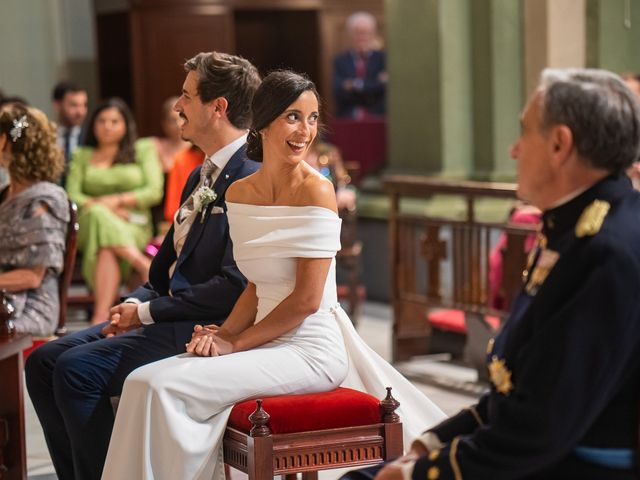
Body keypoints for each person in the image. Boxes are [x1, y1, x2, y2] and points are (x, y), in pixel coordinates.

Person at [101, 70, 445, 480]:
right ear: (263, 121)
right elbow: (253, 285)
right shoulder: (240, 193)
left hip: (310, 350)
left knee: (164, 388)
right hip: (265, 341)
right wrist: (222, 335)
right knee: (141, 382)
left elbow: (305, 300)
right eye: (293, 117)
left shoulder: (317, 191)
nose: (306, 131)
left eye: (313, 118)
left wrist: (236, 344)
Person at [342, 68, 640, 480]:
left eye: (524, 132)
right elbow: (520, 387)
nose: (514, 150)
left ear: (559, 144)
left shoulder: (606, 250)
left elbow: (539, 430)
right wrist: (433, 442)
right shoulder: (574, 227)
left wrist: (423, 473)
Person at [25, 51, 261, 480]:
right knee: (42, 363)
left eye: (187, 97)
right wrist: (132, 303)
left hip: (208, 325)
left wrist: (146, 313)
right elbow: (167, 266)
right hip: (167, 309)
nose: (176, 107)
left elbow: (234, 284)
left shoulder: (251, 176)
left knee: (76, 371)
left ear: (218, 108)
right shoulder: (198, 174)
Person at [65, 97, 163, 325]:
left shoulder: (143, 149)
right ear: (93, 124)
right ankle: (140, 263)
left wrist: (117, 201)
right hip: (92, 221)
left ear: (126, 124)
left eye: (114, 121)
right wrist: (104, 208)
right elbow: (72, 195)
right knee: (100, 217)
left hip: (133, 221)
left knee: (107, 249)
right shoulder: (82, 155)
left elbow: (153, 191)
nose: (107, 126)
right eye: (102, 121)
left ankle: (100, 318)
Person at [0, 104, 68, 336]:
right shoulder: (5, 193)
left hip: (31, 306)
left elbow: (32, 276)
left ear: (3, 142)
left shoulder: (44, 200)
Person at [149, 96, 193, 232]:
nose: (178, 124)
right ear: (163, 123)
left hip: (186, 209)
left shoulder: (197, 150)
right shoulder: (153, 147)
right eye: (171, 120)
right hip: (156, 210)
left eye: (181, 117)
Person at [332, 11, 387, 119]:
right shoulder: (340, 60)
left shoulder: (383, 59)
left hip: (378, 118)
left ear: (373, 34)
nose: (362, 37)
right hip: (348, 119)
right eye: (358, 32)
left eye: (366, 32)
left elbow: (383, 89)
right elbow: (338, 90)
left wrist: (353, 85)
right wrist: (372, 84)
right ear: (350, 34)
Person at [51, 81, 88, 184]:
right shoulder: (46, 135)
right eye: (74, 105)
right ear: (57, 105)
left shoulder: (91, 135)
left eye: (84, 105)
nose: (80, 112)